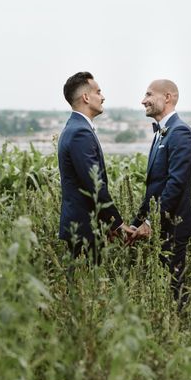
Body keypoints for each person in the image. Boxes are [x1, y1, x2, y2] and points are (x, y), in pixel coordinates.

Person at [131, 79, 191, 305]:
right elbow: (155, 187)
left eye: (149, 94)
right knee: (162, 286)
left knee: (175, 287)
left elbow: (175, 184)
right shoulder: (162, 133)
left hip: (174, 226)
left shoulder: (180, 133)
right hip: (162, 224)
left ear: (167, 98)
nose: (143, 101)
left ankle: (182, 332)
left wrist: (151, 222)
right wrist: (136, 222)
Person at [58, 71, 134, 261]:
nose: (103, 97)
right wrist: (116, 223)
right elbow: (94, 185)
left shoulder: (73, 128)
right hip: (84, 230)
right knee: (85, 288)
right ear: (86, 97)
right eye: (98, 92)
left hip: (84, 227)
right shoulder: (80, 133)